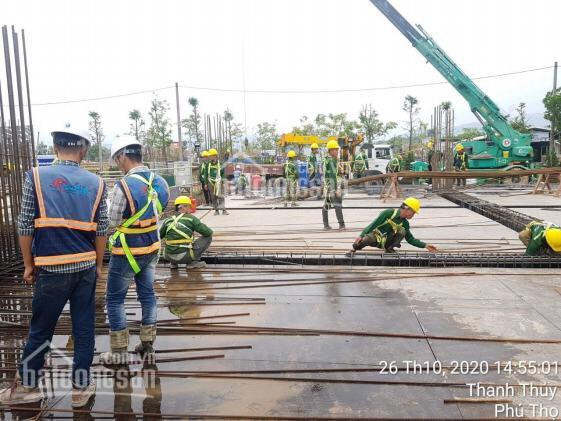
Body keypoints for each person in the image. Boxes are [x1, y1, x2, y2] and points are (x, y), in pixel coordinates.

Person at [0, 128, 108, 407]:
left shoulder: (35, 177)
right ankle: (81, 389)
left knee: (41, 328)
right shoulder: (97, 182)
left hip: (50, 267)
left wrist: (27, 265)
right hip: (84, 266)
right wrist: (97, 264)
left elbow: (24, 224)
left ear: (55, 146)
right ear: (83, 150)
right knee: (83, 326)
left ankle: (27, 386)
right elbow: (102, 229)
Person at [100, 136, 169, 365]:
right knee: (147, 295)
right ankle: (147, 345)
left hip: (127, 252)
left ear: (122, 157)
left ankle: (118, 352)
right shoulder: (160, 182)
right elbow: (159, 210)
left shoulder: (124, 186)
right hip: (152, 247)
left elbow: (112, 220)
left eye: (117, 159)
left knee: (115, 299)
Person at [346, 197, 438, 256]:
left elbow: (410, 239)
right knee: (363, 241)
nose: (413, 215)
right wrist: (362, 235)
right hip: (376, 238)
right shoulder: (388, 213)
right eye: (413, 212)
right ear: (407, 210)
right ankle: (357, 246)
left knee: (402, 231)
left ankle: (389, 249)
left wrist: (425, 246)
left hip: (387, 242)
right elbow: (373, 224)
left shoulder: (405, 224)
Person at [160, 196, 213, 269]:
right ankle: (193, 263)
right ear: (182, 207)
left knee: (171, 240)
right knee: (208, 237)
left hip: (168, 256)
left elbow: (158, 237)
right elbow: (208, 232)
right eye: (188, 206)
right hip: (185, 257)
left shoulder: (167, 220)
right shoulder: (191, 218)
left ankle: (173, 263)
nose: (190, 209)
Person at [322, 140, 345, 230]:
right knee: (337, 205)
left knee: (326, 205)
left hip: (327, 186)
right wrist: (336, 189)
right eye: (335, 149)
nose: (337, 151)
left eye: (337, 149)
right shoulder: (331, 161)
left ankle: (326, 225)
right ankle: (342, 225)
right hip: (332, 186)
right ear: (331, 151)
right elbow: (332, 176)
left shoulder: (327, 160)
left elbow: (333, 174)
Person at [206, 148, 229, 215]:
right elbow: (205, 174)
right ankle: (216, 210)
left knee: (221, 196)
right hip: (211, 183)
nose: (209, 157)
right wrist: (205, 183)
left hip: (219, 182)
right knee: (213, 197)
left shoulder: (220, 164)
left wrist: (222, 180)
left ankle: (224, 210)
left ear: (215, 156)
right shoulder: (208, 165)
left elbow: (223, 173)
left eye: (210, 156)